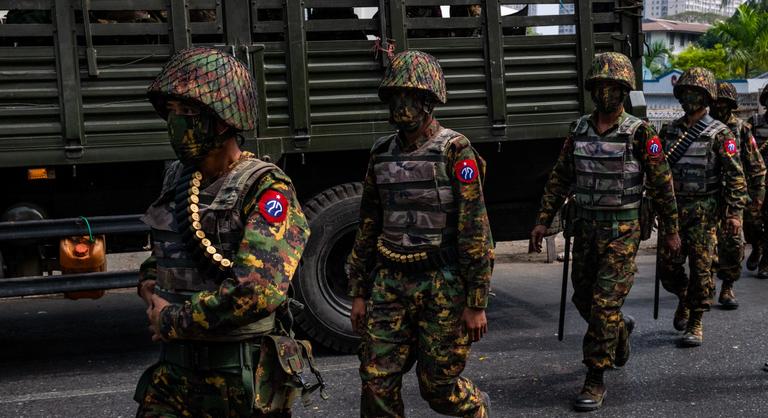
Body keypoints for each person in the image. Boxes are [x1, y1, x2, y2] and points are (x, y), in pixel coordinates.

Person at [133, 46, 310, 417]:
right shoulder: (178, 177)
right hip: (174, 374)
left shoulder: (265, 188)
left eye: (187, 113)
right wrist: (150, 283)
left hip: (236, 377)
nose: (175, 122)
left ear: (223, 122)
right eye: (171, 112)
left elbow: (257, 292)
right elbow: (168, 249)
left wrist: (171, 319)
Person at [530, 52, 681, 412]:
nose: (605, 93)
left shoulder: (641, 133)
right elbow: (559, 178)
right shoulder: (578, 130)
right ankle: (620, 330)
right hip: (584, 228)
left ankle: (595, 376)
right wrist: (542, 220)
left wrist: (671, 231)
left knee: (603, 304)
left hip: (622, 230)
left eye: (613, 87)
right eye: (600, 86)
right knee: (583, 298)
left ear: (625, 90)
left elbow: (662, 184)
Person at [347, 50, 492, 418]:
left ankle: (476, 409)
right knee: (376, 382)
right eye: (394, 96)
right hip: (389, 282)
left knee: (438, 386)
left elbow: (475, 229)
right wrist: (360, 292)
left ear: (429, 101)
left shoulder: (456, 152)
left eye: (408, 96)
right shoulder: (381, 153)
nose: (400, 104)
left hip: (441, 284)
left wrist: (476, 301)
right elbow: (368, 225)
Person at [657, 67, 747, 347]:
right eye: (685, 93)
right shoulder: (668, 130)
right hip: (674, 212)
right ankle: (683, 296)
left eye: (695, 93)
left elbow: (735, 175)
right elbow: (657, 172)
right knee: (669, 270)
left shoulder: (721, 133)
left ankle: (695, 320)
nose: (689, 98)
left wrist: (734, 212)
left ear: (706, 97)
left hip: (705, 213)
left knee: (702, 269)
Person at [710, 81, 766, 307]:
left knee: (733, 243)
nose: (719, 106)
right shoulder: (702, 128)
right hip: (706, 197)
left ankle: (727, 286)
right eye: (716, 102)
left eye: (724, 103)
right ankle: (705, 286)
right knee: (706, 247)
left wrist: (758, 197)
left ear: (731, 105)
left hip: (734, 196)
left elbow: (756, 166)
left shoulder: (741, 129)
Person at [749, 84, 768, 278]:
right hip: (757, 183)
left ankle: (765, 262)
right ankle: (756, 246)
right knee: (752, 221)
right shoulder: (754, 122)